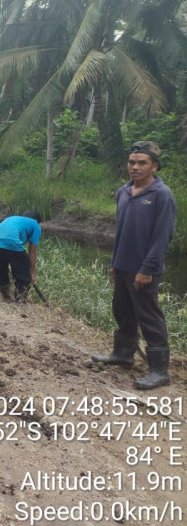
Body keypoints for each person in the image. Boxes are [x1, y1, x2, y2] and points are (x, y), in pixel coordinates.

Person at [92, 141, 176, 390]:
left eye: (142, 163)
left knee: (149, 316)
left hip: (144, 270)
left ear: (154, 166)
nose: (135, 167)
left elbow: (163, 236)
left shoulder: (161, 194)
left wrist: (147, 269)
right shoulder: (124, 192)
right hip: (123, 265)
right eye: (131, 162)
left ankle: (159, 371)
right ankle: (123, 354)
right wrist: (114, 263)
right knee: (122, 310)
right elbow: (121, 231)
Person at [0, 210, 42, 303]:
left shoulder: (12, 218)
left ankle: (6, 297)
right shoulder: (35, 224)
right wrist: (32, 272)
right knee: (24, 271)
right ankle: (20, 300)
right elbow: (32, 252)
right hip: (12, 241)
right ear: (36, 220)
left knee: (1, 270)